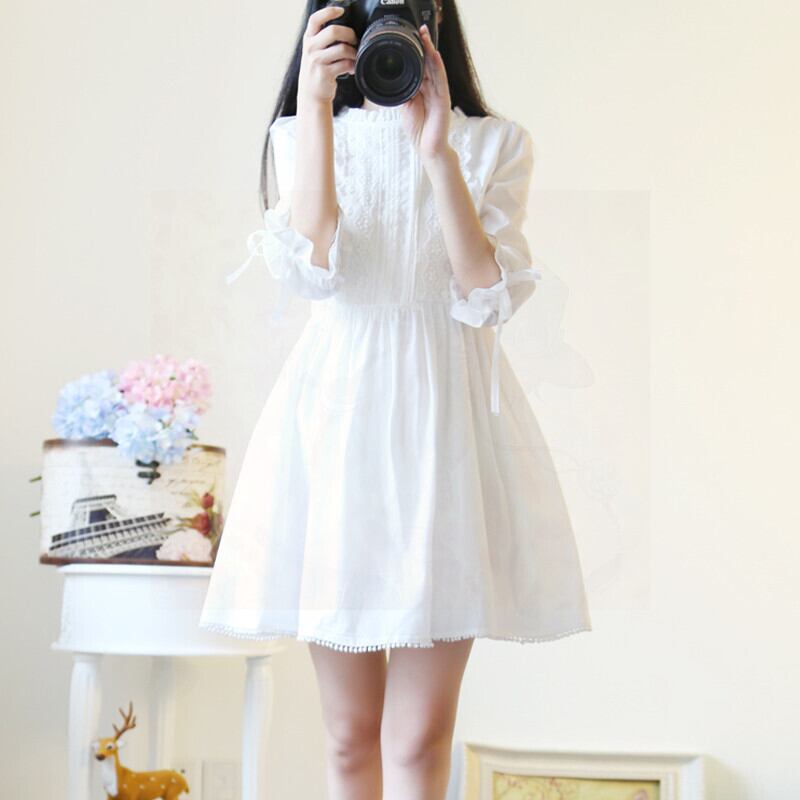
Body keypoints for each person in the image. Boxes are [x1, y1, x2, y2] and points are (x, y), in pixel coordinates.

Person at [199, 1, 592, 796]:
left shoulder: (494, 143)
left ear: (434, 15)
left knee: (419, 739)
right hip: (335, 431)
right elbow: (312, 267)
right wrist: (314, 107)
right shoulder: (300, 134)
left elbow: (485, 295)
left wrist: (436, 149)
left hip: (444, 430)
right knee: (349, 737)